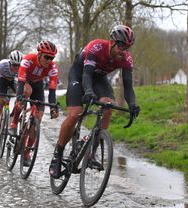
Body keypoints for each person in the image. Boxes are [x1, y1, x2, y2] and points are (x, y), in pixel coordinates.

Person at [49, 25, 140, 178]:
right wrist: (89, 91)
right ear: (112, 41)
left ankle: (92, 152)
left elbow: (128, 87)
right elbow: (86, 76)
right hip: (79, 76)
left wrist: (132, 104)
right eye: (121, 45)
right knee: (74, 115)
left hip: (99, 79)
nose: (124, 51)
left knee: (107, 106)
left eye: (127, 47)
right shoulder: (96, 47)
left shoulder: (126, 59)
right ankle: (57, 155)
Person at [8, 40, 60, 165]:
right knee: (26, 91)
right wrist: (20, 98)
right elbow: (21, 81)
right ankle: (14, 122)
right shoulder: (28, 59)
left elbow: (52, 91)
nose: (49, 60)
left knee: (38, 119)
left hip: (38, 85)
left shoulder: (52, 68)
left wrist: (53, 107)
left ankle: (26, 153)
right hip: (24, 82)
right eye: (47, 57)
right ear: (39, 54)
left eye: (52, 58)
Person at [0, 50, 24, 148]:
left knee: (21, 99)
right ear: (9, 62)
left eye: (18, 66)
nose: (16, 68)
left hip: (14, 81)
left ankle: (12, 118)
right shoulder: (2, 65)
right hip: (2, 81)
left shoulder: (23, 68)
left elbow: (22, 85)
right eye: (14, 65)